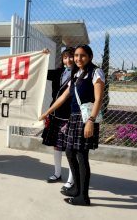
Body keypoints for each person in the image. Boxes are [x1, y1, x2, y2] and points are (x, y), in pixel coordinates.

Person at [39, 45, 105, 206]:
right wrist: (47, 112)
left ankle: (83, 196)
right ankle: (76, 188)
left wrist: (91, 120)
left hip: (86, 119)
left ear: (89, 56)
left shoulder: (96, 72)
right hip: (74, 118)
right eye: (76, 55)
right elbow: (63, 97)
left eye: (82, 55)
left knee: (82, 156)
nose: (78, 58)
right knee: (69, 152)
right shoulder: (76, 74)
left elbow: (98, 99)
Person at [41, 47, 75, 191]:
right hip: (55, 113)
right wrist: (43, 57)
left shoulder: (80, 74)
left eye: (71, 57)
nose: (68, 60)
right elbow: (41, 72)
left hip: (71, 115)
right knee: (57, 145)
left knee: (70, 147)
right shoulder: (58, 72)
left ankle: (71, 179)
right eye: (65, 57)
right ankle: (57, 173)